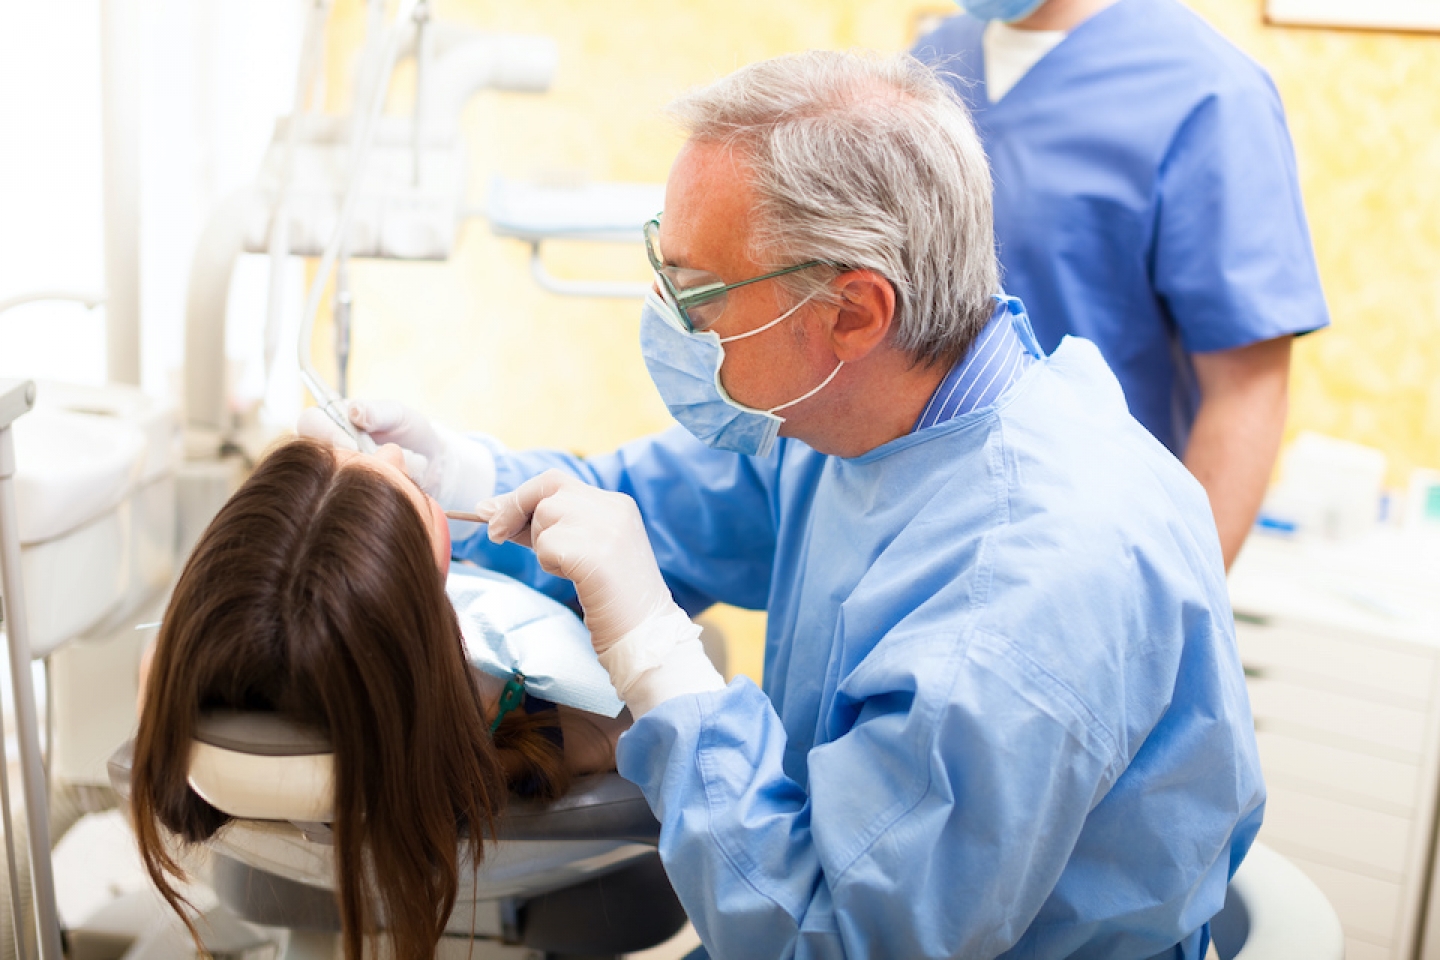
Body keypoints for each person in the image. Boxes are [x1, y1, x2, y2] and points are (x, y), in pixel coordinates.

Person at [304, 50, 1264, 959]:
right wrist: (465, 477)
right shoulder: (866, 420)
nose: (675, 322)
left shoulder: (1019, 594)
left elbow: (831, 936)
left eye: (698, 295)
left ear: (853, 311)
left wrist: (659, 659)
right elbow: (647, 510)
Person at [129, 439, 625, 960]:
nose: (389, 453)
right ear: (433, 580)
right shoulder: (566, 719)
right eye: (407, 491)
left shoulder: (170, 676)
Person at [913, 0, 1330, 568]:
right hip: (907, 538)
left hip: (1091, 556)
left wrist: (1170, 603)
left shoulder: (1207, 91)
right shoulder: (925, 69)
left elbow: (1246, 392)